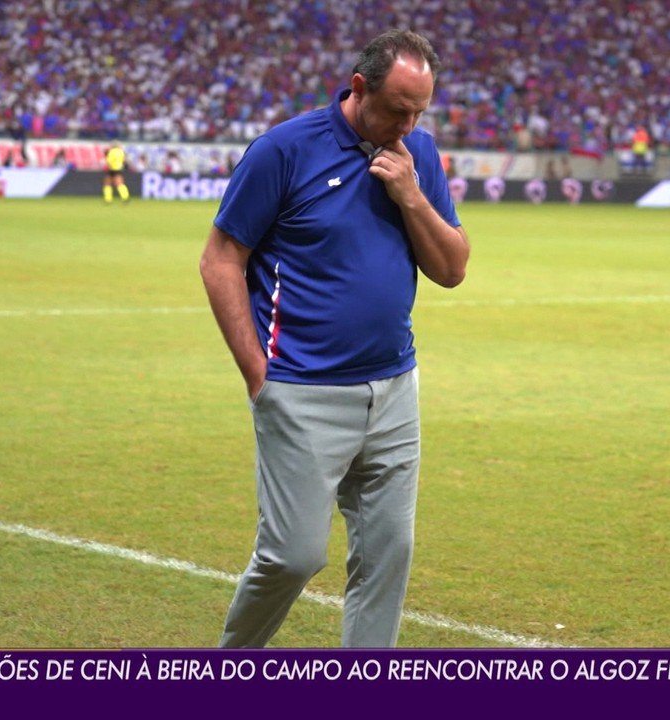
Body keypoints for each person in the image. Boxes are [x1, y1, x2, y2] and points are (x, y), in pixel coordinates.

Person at [198, 29, 469, 648]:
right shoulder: (284, 151)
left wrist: (409, 195)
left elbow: (452, 269)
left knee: (387, 556)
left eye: (420, 111)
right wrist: (257, 376)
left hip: (394, 387)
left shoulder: (418, 155)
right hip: (301, 390)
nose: (408, 123)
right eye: (398, 108)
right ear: (358, 87)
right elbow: (220, 260)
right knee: (292, 556)